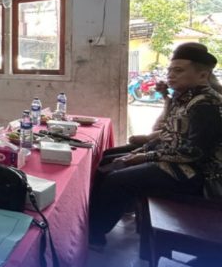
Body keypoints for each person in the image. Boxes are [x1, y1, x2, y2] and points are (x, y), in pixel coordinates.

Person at [88, 43, 222, 245]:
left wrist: (146, 155)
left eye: (178, 70)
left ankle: (94, 234)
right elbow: (169, 131)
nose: (171, 75)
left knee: (116, 179)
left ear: (202, 75)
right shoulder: (185, 97)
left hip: (195, 174)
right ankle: (95, 221)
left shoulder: (206, 104)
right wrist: (145, 146)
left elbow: (193, 152)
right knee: (108, 161)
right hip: (175, 160)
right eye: (170, 70)